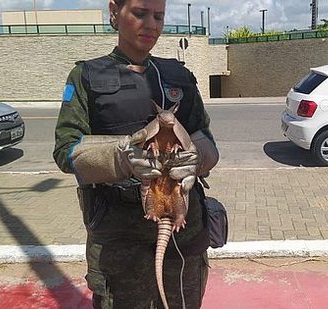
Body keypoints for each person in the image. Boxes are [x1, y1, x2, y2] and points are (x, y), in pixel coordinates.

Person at [52, 0, 219, 308]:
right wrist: (122, 157)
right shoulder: (86, 76)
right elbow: (66, 151)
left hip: (184, 237)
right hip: (120, 243)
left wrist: (198, 157)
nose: (151, 24)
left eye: (159, 16)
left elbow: (206, 138)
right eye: (140, 14)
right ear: (115, 12)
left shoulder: (179, 76)